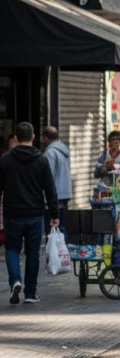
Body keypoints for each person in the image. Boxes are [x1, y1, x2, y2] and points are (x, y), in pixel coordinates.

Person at [0, 122, 59, 304]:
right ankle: (31, 293)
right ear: (33, 137)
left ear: (16, 138)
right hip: (35, 214)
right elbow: (50, 189)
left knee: (11, 249)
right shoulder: (41, 160)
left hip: (12, 213)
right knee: (33, 253)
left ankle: (15, 281)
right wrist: (55, 214)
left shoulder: (5, 160)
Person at [42, 126, 71, 237]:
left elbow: (49, 178)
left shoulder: (50, 153)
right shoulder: (64, 151)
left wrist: (46, 197)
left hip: (55, 196)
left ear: (45, 138)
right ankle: (63, 253)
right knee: (62, 228)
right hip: (65, 193)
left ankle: (55, 254)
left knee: (52, 230)